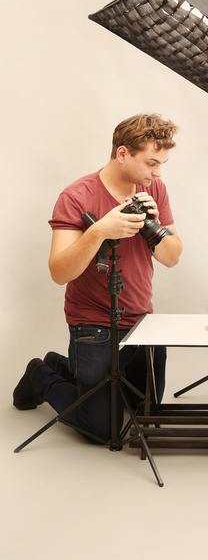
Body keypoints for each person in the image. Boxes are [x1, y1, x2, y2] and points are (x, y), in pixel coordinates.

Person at [13, 113, 182, 441]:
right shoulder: (76, 196)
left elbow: (172, 258)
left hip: (140, 320)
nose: (158, 172)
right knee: (103, 430)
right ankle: (40, 374)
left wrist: (154, 225)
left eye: (161, 163)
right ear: (123, 154)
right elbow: (59, 272)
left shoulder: (154, 189)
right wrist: (99, 231)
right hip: (93, 323)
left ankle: (64, 367)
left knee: (144, 413)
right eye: (151, 163)